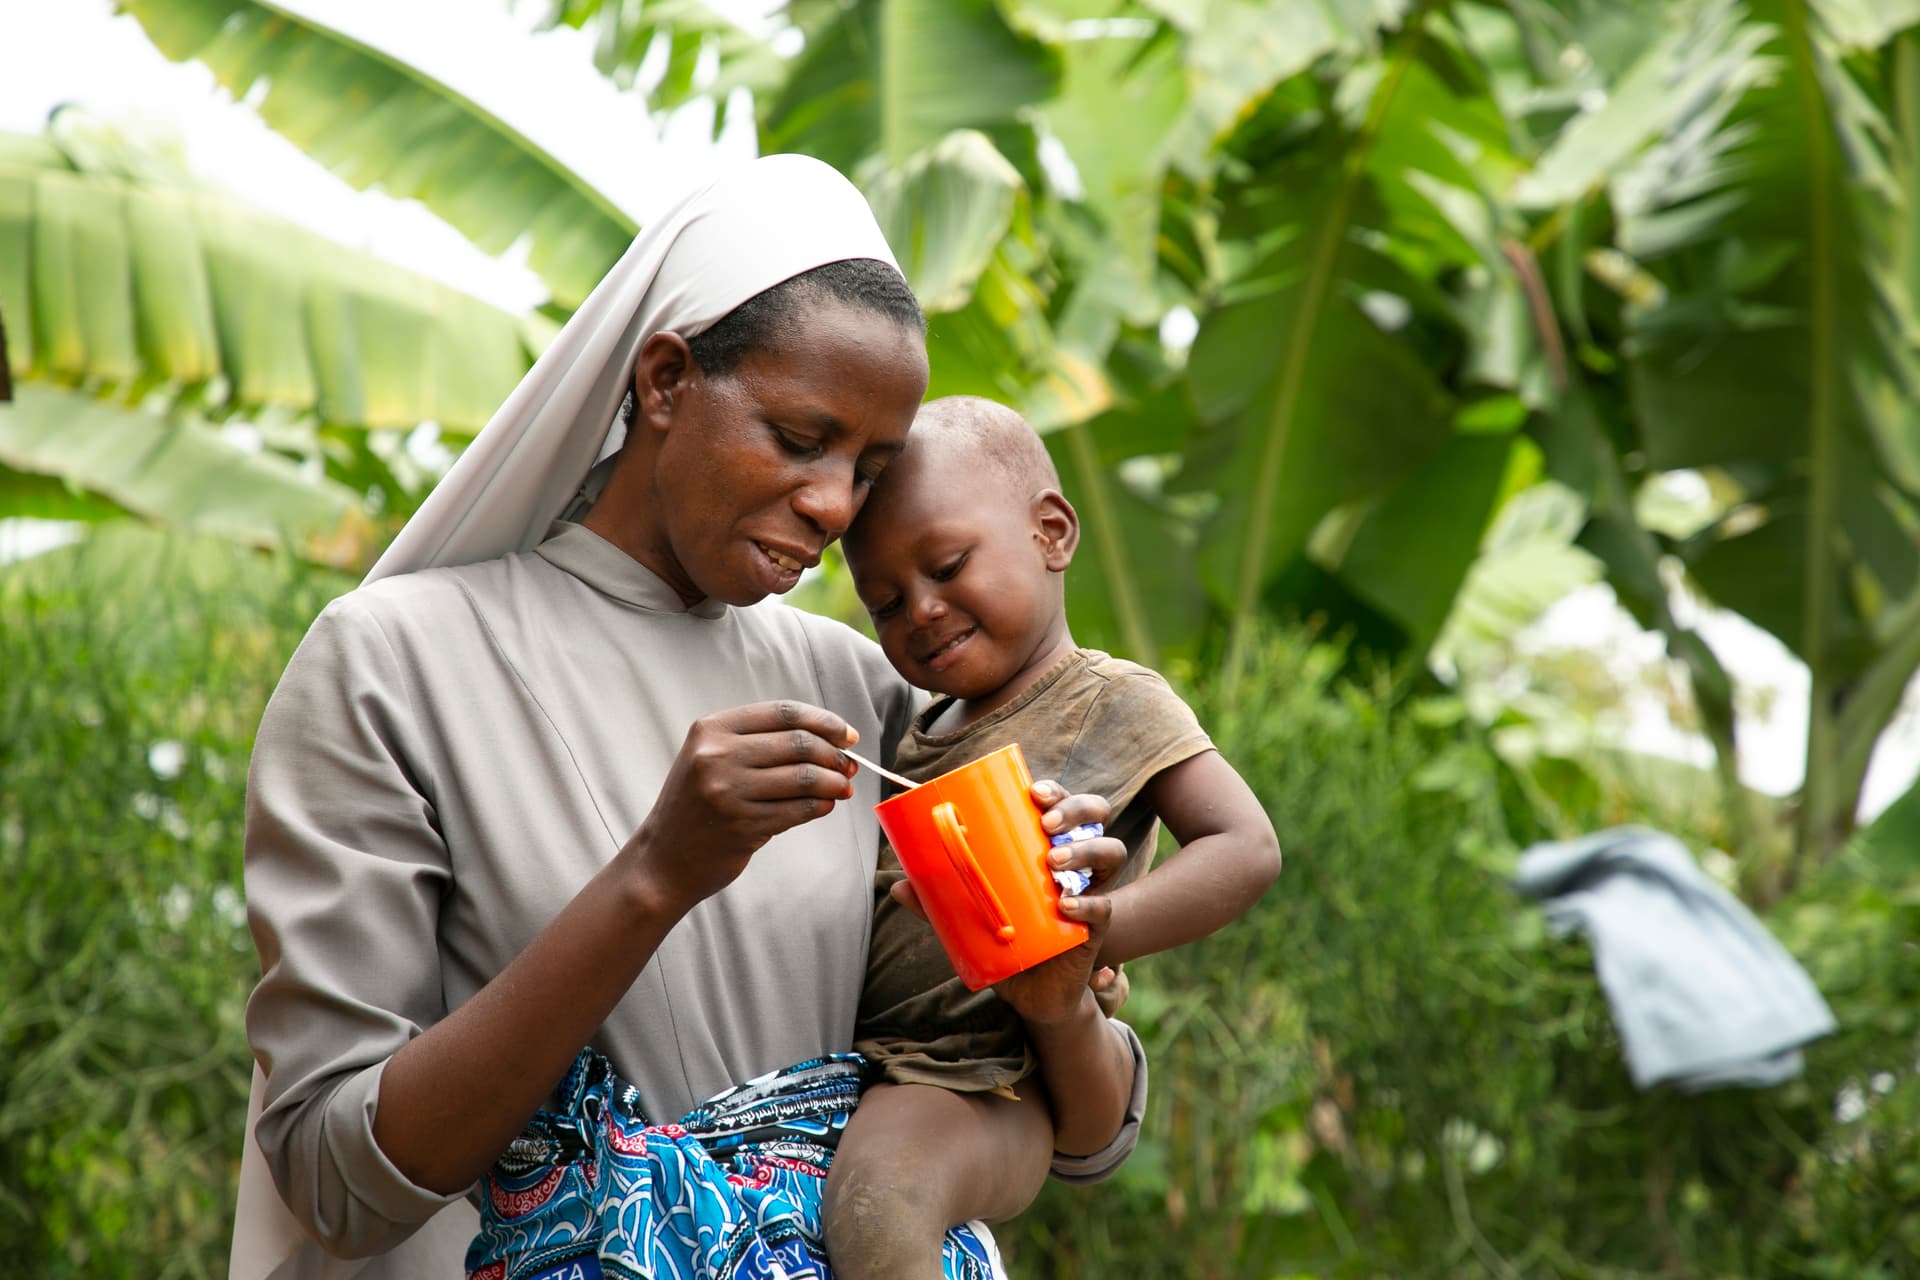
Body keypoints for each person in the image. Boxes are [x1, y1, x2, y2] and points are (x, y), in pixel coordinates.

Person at [229, 157, 1149, 1280]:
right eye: (801, 436)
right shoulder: (395, 662)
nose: (834, 505)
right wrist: (656, 873)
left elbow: (1086, 1137)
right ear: (665, 380)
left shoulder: (866, 692)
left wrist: (1057, 980)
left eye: (870, 467)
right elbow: (336, 1177)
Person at [824, 396, 1283, 1278]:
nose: (919, 610)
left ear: (1052, 532)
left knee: (879, 1203)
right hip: (877, 1068)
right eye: (884, 603)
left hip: (980, 1080)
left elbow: (1244, 847)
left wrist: (1101, 928)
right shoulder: (914, 732)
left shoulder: (1112, 697)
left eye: (948, 565)